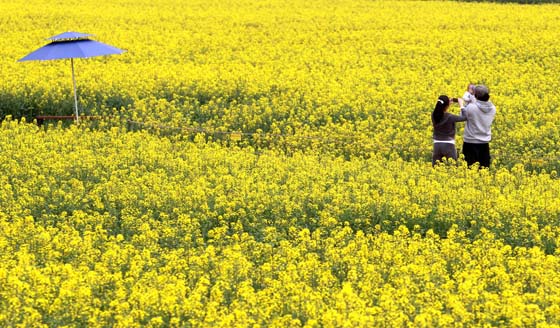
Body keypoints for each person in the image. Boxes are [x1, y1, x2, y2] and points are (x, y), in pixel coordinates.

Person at [461, 85, 496, 168]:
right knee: (483, 169)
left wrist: (463, 105)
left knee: (469, 170)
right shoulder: (493, 108)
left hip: (470, 142)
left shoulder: (471, 107)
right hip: (484, 143)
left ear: (475, 96)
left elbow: (462, 116)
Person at [431, 95, 467, 166]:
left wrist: (447, 104)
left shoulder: (433, 115)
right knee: (452, 167)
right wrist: (461, 105)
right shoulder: (449, 117)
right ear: (447, 105)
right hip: (449, 145)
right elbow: (465, 117)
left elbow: (441, 110)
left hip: (436, 145)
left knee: (436, 167)